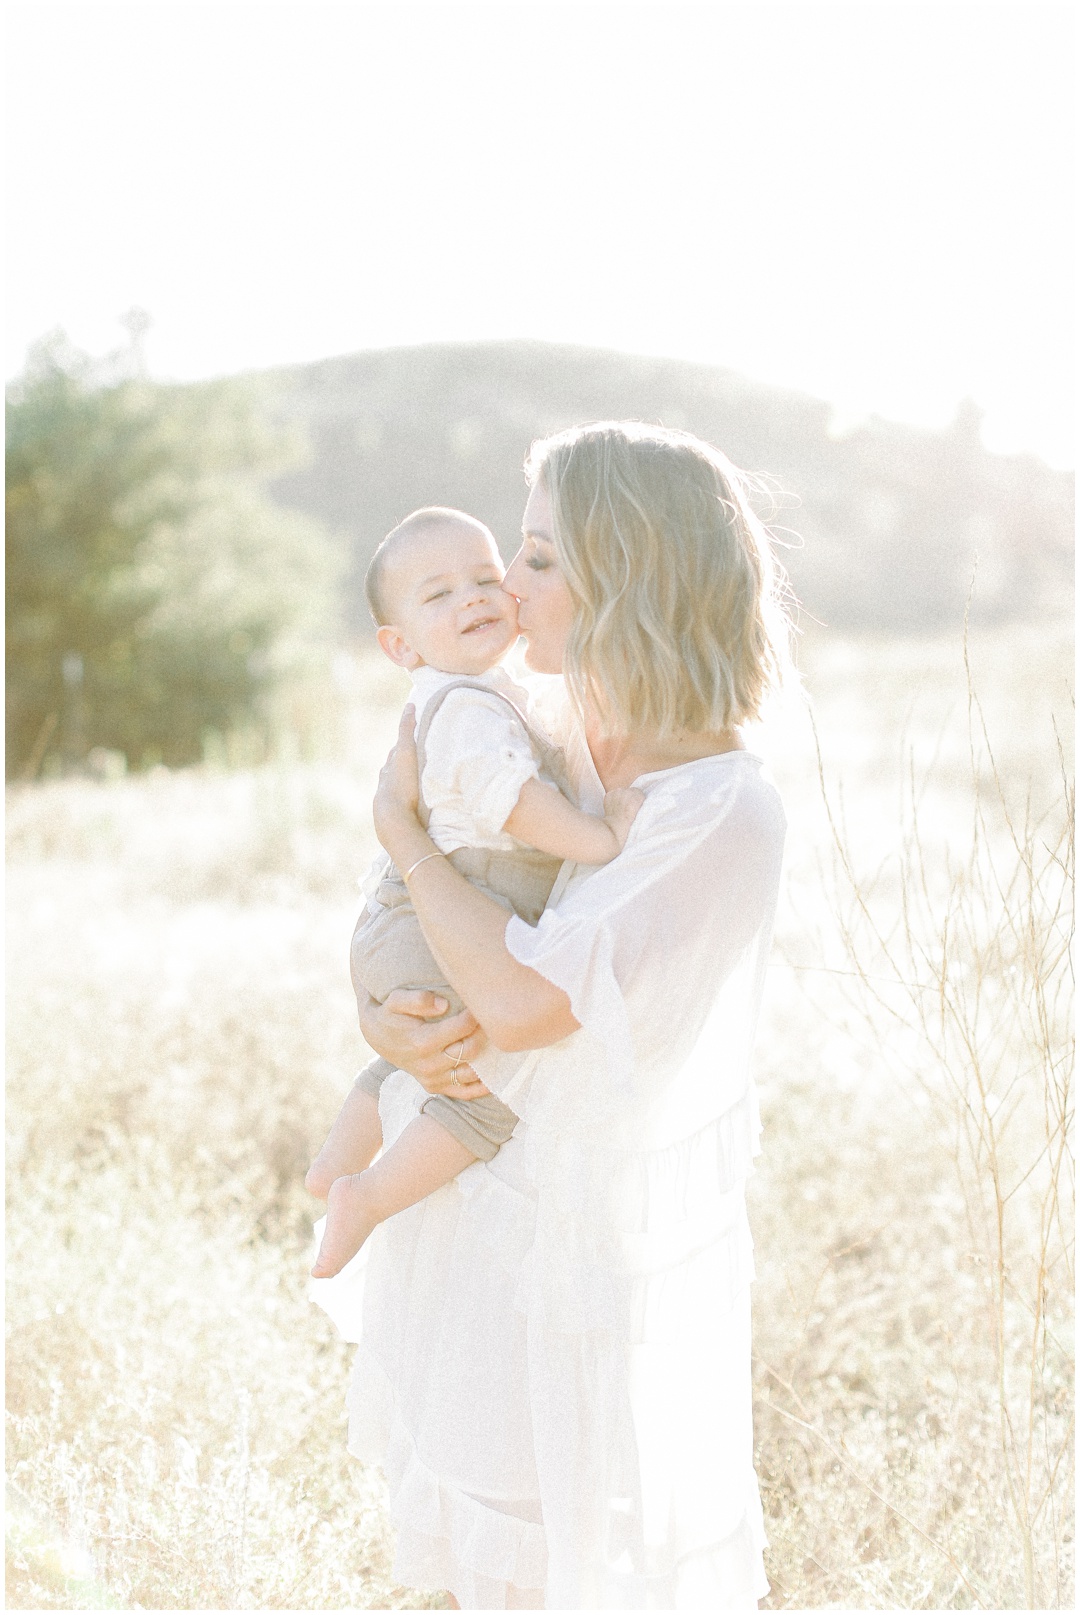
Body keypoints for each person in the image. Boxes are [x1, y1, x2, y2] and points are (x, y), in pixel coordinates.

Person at [310, 421, 790, 1610]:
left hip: (570, 1259)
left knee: (560, 1568)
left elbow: (521, 1003)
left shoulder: (720, 806)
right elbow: (458, 934)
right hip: (466, 1205)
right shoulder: (561, 736)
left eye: (532, 558)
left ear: (622, 574)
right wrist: (386, 1028)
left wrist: (405, 836)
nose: (502, 590)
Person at [307, 505, 643, 1277]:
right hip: (452, 907)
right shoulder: (464, 707)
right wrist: (599, 839)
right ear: (399, 645)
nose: (473, 598)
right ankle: (365, 1195)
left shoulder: (472, 693)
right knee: (481, 1089)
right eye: (438, 595)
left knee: (405, 1062)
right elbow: (511, 801)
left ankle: (332, 1159)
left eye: (486, 578)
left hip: (402, 917)